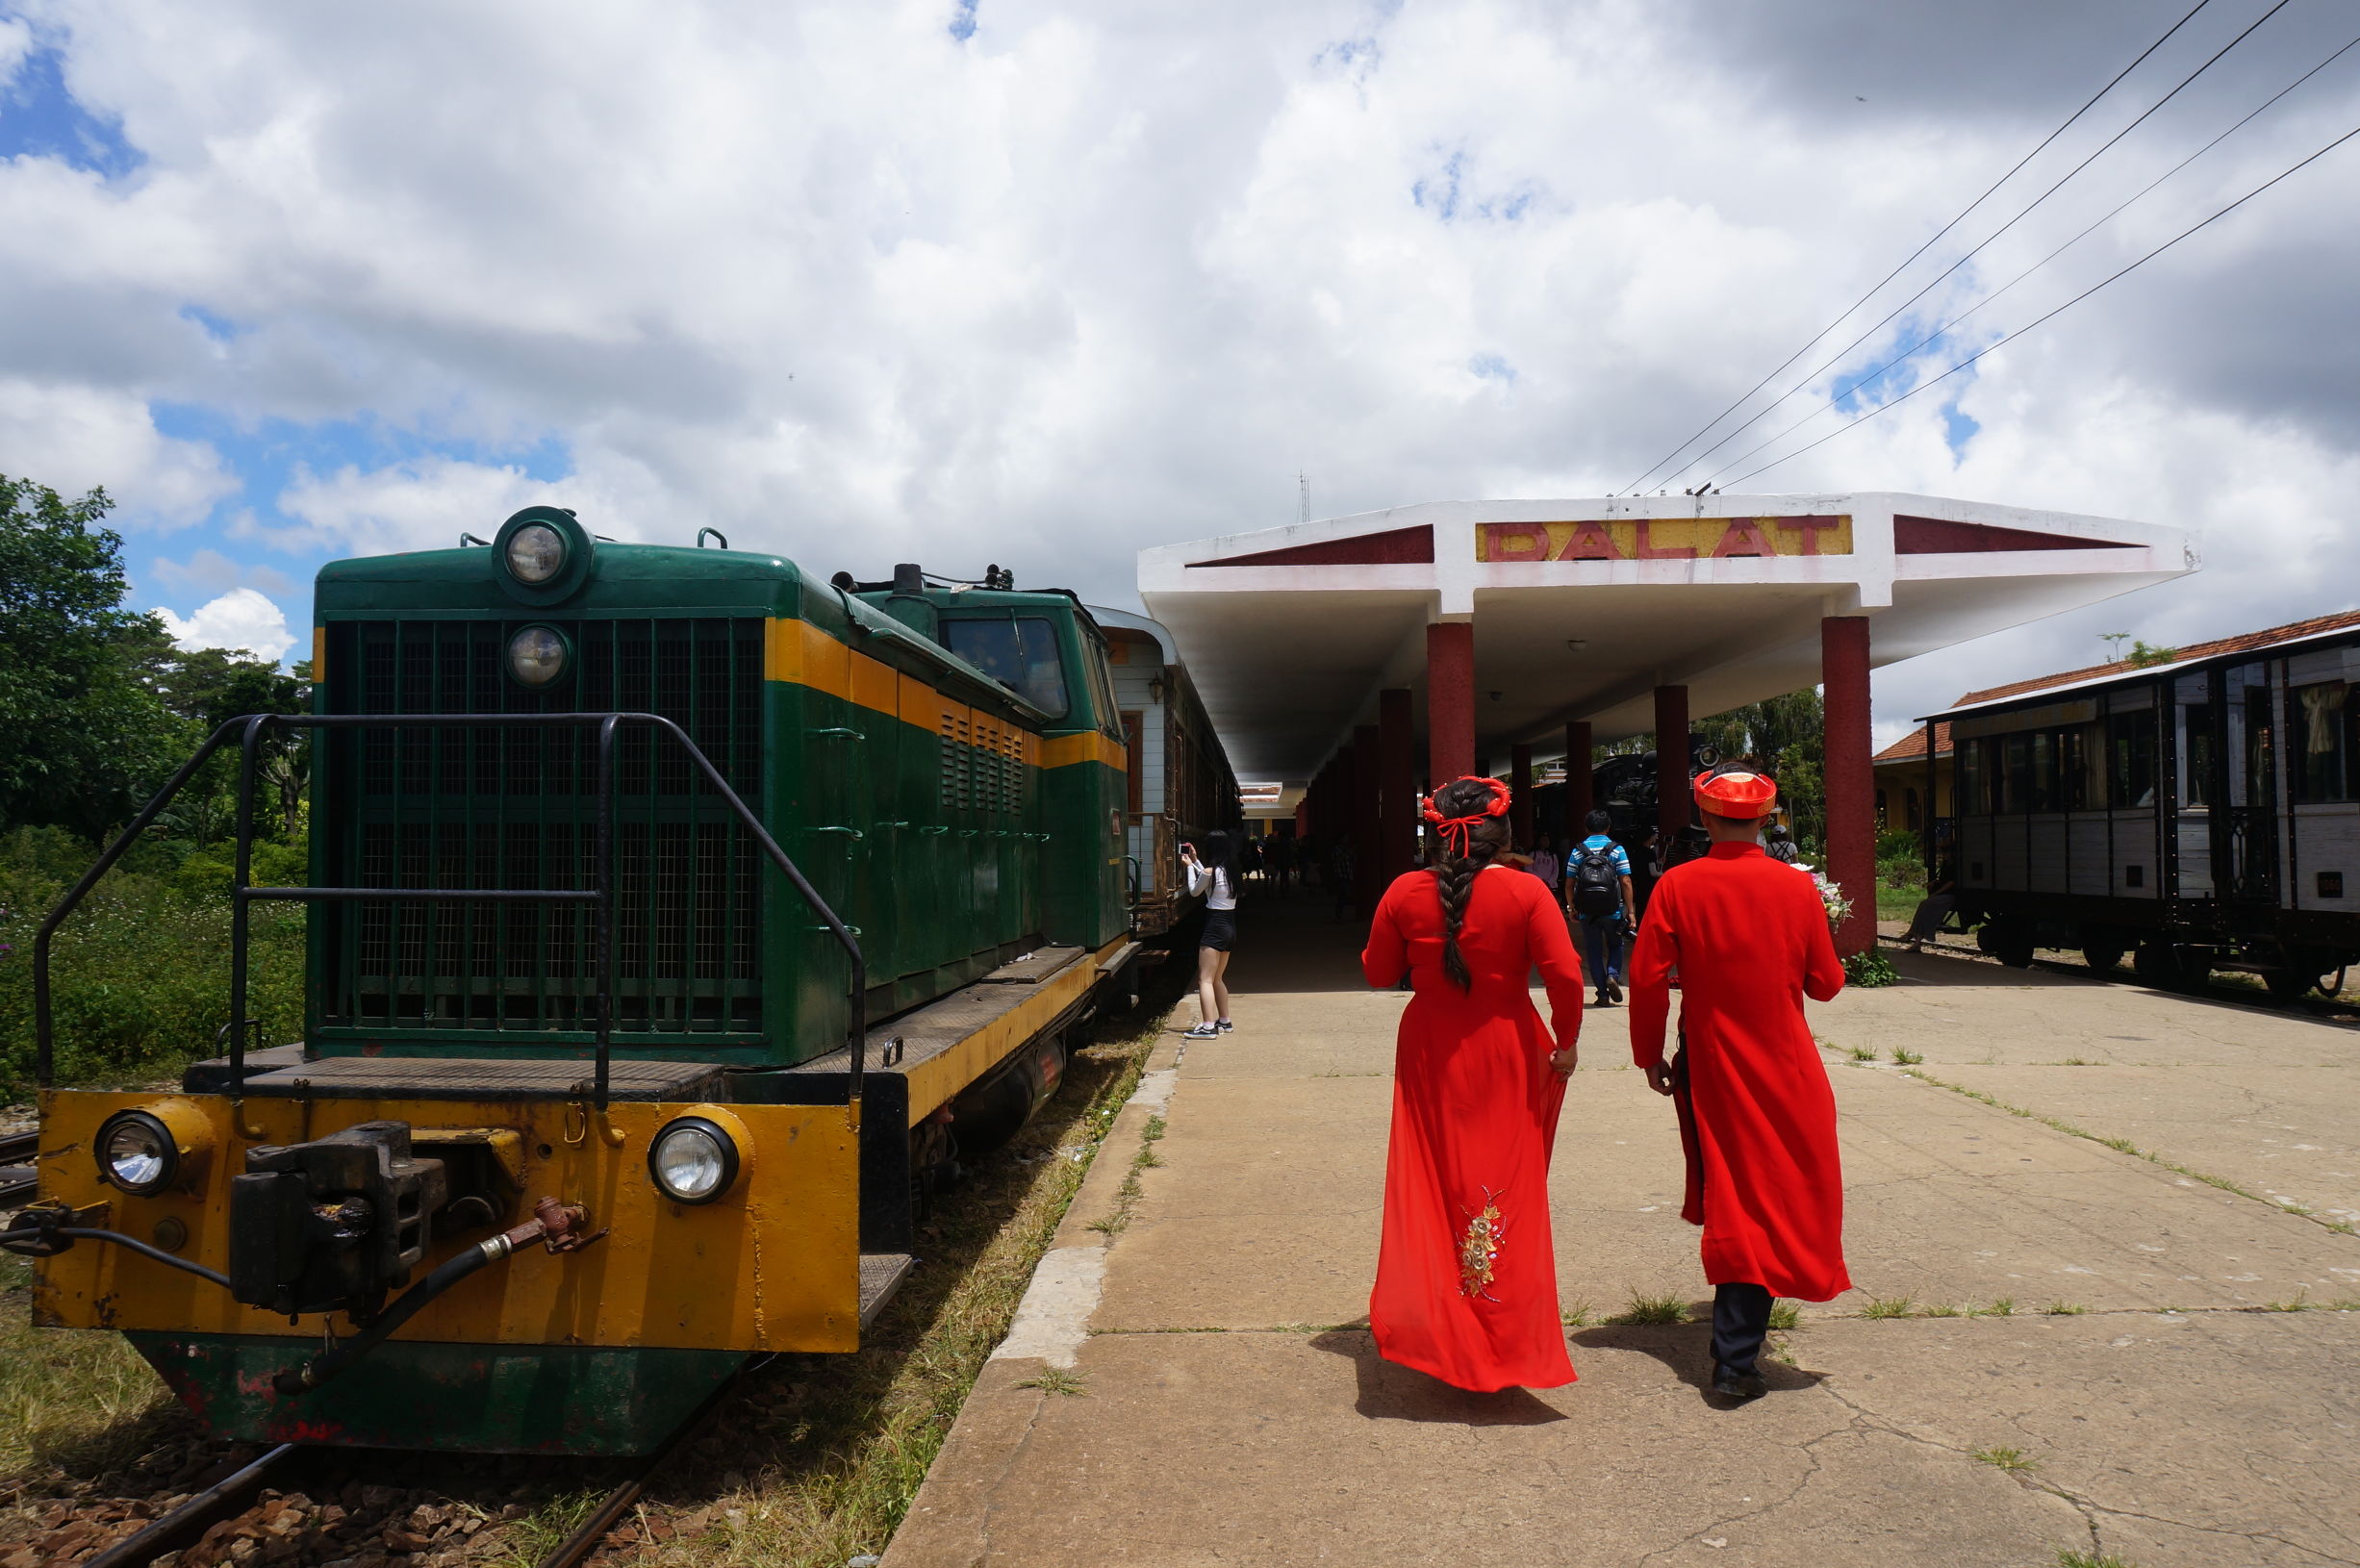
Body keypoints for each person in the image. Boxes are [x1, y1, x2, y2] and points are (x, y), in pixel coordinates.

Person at [1628, 765, 1847, 1403]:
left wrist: (1649, 1054)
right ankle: (1734, 1355)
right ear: (1766, 819)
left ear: (1703, 817)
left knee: (1731, 1190)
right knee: (1784, 1189)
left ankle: (1735, 1350)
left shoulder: (1676, 884)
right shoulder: (1795, 887)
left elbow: (1645, 980)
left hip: (1711, 1063)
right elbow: (1825, 984)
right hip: (1784, 1064)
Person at [1361, 776, 1586, 1392]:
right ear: (1505, 834)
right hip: (1507, 1046)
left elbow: (1379, 972)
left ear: (1435, 835)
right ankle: (1501, 1333)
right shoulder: (1525, 890)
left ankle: (1448, 1326)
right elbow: (1565, 974)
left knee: (1435, 1180)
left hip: (1431, 1049)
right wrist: (1566, 1041)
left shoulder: (1405, 892)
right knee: (1503, 1183)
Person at [1566, 810, 1637, 1007]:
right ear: (1608, 828)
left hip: (1587, 911)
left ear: (1586, 828)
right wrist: (1630, 912)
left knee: (1594, 951)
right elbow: (1626, 881)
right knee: (1616, 945)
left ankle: (1603, 995)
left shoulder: (1578, 851)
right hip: (1613, 909)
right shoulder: (1617, 850)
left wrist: (1572, 907)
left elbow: (1569, 883)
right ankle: (1613, 974)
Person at [1180, 830, 1240, 1039]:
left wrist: (1189, 867)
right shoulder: (1231, 872)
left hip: (1215, 926)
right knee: (1217, 978)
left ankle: (1207, 1027)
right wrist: (1196, 861)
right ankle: (1225, 1021)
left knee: (1204, 980)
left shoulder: (1210, 871)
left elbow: (1195, 891)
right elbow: (1209, 878)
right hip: (1230, 926)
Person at [1903, 860, 1958, 948]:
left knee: (1925, 906)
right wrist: (1935, 882)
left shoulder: (1955, 865)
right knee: (1924, 906)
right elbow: (1944, 880)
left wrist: (1935, 894)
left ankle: (1913, 935)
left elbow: (1951, 883)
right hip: (1944, 895)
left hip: (1950, 896)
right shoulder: (1946, 864)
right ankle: (1914, 937)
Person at [1528, 832, 1561, 897]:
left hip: (1550, 885)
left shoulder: (1552, 856)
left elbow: (1556, 870)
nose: (1546, 842)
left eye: (1547, 840)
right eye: (1543, 840)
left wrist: (1550, 881)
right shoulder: (1533, 854)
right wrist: (1540, 879)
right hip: (1537, 884)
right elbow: (1528, 868)